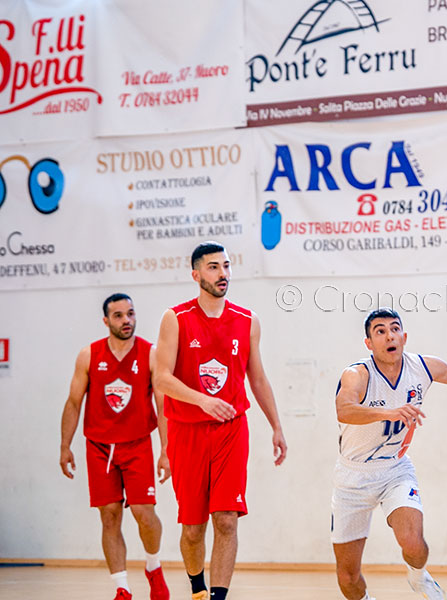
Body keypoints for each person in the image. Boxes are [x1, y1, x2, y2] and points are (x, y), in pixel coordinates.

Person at [332, 308, 447, 600]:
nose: (389, 335)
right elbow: (344, 409)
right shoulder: (356, 374)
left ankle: (418, 577)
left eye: (394, 328)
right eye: (380, 331)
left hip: (394, 470)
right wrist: (388, 412)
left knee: (413, 543)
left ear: (404, 336)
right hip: (352, 477)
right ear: (369, 343)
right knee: (348, 579)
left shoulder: (422, 367)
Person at [154, 242, 287, 600]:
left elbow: (257, 377)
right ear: (196, 275)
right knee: (194, 528)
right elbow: (162, 378)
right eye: (213, 267)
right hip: (187, 431)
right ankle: (197, 588)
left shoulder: (247, 321)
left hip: (231, 430)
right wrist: (203, 401)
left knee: (226, 518)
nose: (223, 273)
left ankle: (217, 597)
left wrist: (276, 426)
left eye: (226, 266)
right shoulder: (176, 318)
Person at [59, 293, 171, 600]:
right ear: (106, 321)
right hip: (99, 446)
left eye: (131, 313)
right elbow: (73, 402)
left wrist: (165, 450)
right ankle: (122, 587)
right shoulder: (88, 355)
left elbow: (163, 404)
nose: (127, 320)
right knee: (109, 516)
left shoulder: (150, 353)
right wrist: (65, 446)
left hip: (137, 445)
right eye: (119, 315)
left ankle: (153, 566)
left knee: (144, 513)